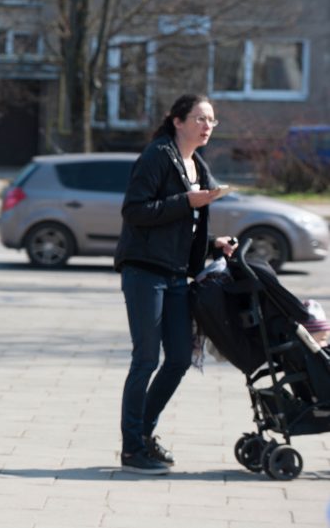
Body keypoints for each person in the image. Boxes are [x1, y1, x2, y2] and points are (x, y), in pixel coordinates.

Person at [114, 93, 237, 475]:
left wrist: (214, 240)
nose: (207, 126)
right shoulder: (157, 156)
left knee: (181, 358)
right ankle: (132, 449)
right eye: (200, 118)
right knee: (146, 358)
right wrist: (186, 201)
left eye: (212, 120)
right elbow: (135, 211)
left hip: (176, 274)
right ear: (177, 121)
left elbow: (185, 222)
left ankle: (143, 435)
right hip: (144, 271)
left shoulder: (198, 164)